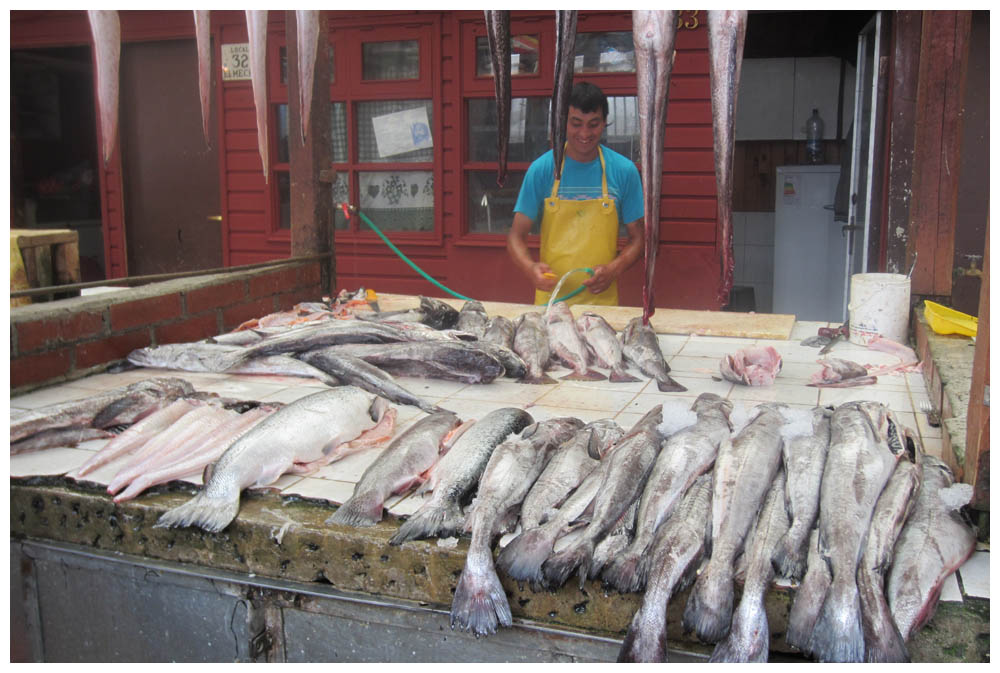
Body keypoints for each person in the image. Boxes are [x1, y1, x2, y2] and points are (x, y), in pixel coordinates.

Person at [506, 81, 644, 307]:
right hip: (551, 306)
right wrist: (530, 268)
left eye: (594, 124)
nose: (584, 133)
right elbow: (515, 237)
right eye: (576, 123)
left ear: (604, 123)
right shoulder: (541, 170)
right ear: (562, 122)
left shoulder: (624, 171)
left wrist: (613, 269)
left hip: (602, 307)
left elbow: (638, 239)